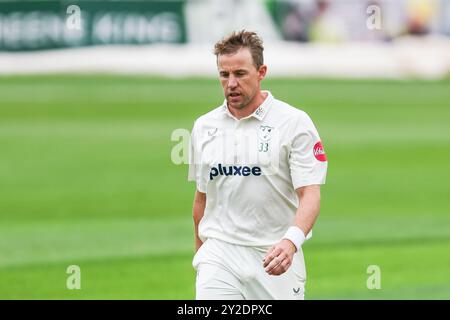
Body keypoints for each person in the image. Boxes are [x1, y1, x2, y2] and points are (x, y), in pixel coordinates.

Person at [188, 30, 328, 300]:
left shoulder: (294, 122)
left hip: (274, 257)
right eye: (223, 75)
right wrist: (200, 257)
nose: (231, 83)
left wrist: (291, 242)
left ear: (261, 71)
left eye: (240, 74)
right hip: (219, 255)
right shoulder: (204, 126)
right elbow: (201, 201)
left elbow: (310, 195)